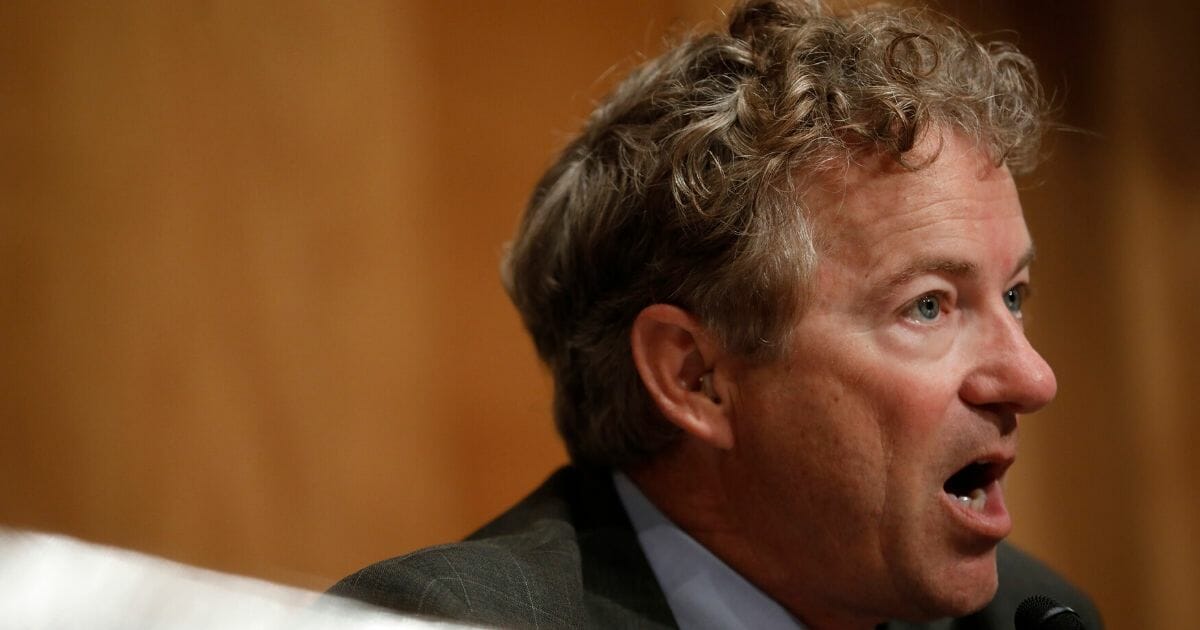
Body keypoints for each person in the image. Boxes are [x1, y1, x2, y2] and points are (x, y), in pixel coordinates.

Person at [331, 1, 1103, 628]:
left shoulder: (1021, 618)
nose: (1033, 378)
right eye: (929, 306)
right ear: (695, 375)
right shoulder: (447, 624)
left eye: (1014, 296)